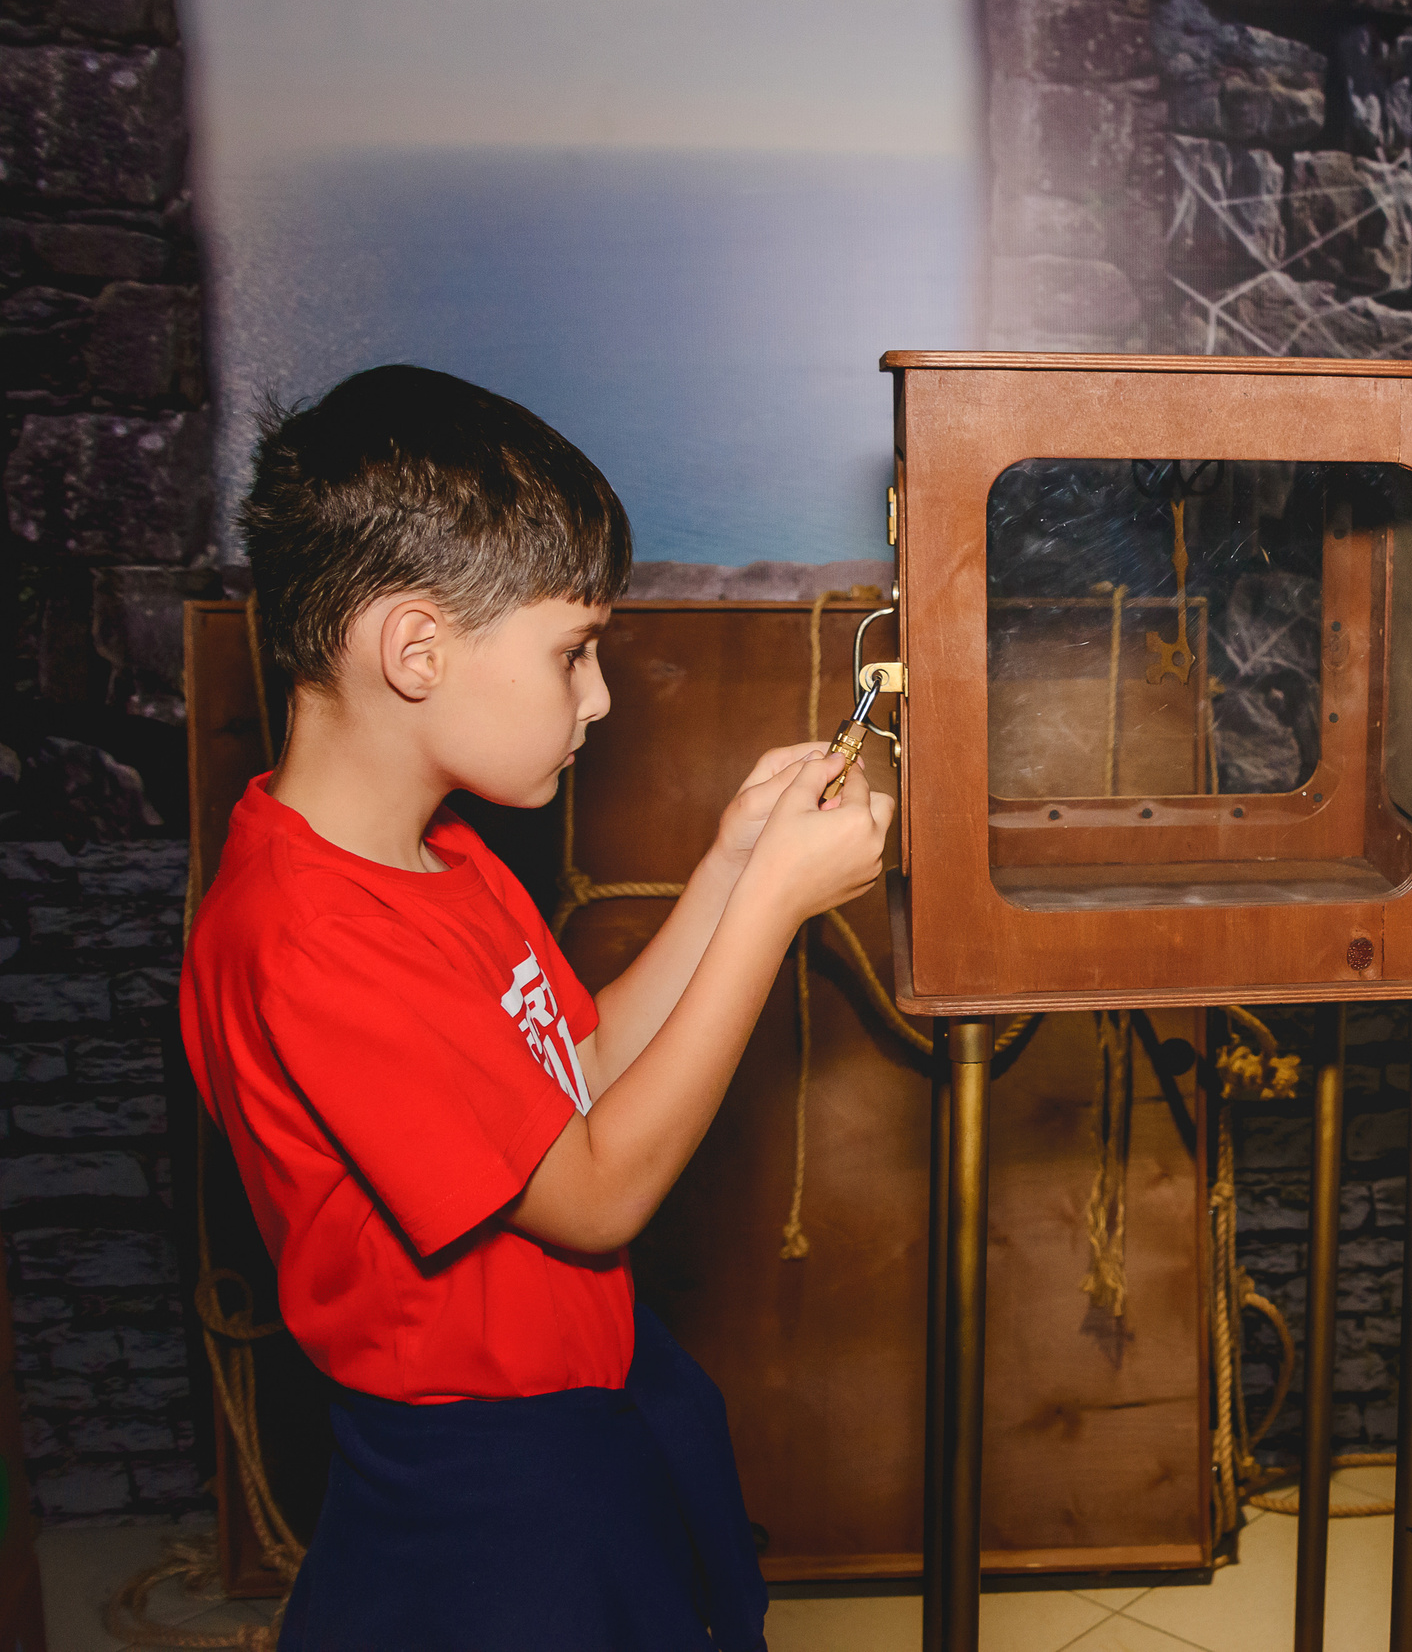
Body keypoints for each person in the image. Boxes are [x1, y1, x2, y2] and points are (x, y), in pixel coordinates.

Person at [180, 365, 893, 1652]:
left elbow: (583, 1063)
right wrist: (775, 915)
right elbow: (594, 1190)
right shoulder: (305, 936)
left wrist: (732, 865)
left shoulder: (442, 856)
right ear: (415, 648)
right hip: (478, 1471)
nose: (599, 695)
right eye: (572, 651)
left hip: (594, 1389)